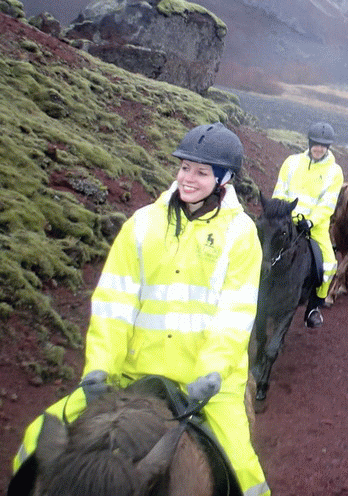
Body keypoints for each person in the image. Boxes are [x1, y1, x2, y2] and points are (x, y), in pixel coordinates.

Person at [11, 122, 270, 496]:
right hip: (131, 373)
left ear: (224, 180)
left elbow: (235, 313)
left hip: (205, 383)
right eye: (184, 168)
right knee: (34, 440)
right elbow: (114, 302)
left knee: (248, 478)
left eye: (201, 172)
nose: (188, 178)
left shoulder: (241, 234)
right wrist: (100, 366)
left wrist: (211, 373)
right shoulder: (141, 224)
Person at [272, 121, 346, 328]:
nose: (319, 148)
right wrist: (283, 215)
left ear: (328, 147)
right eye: (315, 143)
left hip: (314, 227)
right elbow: (280, 191)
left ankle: (314, 307)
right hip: (286, 220)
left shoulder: (335, 171)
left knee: (330, 265)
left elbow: (327, 203)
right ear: (309, 142)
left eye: (323, 145)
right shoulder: (291, 162)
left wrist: (311, 221)